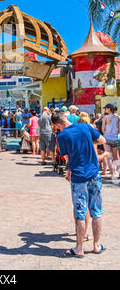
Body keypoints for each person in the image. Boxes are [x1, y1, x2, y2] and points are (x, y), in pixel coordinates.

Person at [51, 112, 106, 257]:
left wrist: (69, 170)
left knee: (80, 213)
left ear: (58, 125)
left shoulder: (61, 137)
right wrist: (89, 141)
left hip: (78, 178)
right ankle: (96, 245)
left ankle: (79, 248)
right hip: (94, 174)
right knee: (96, 211)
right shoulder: (84, 126)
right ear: (66, 118)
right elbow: (103, 140)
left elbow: (68, 158)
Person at [102, 103, 120, 179]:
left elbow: (103, 129)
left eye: (106, 108)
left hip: (107, 138)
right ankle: (119, 173)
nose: (105, 110)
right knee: (116, 157)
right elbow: (119, 130)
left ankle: (112, 174)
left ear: (109, 109)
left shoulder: (105, 117)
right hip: (115, 138)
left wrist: (107, 133)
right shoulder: (118, 117)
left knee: (109, 157)